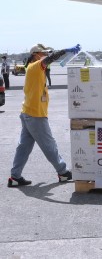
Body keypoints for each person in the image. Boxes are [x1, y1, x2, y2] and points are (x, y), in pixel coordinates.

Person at [7, 43, 80, 187]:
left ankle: (15, 177)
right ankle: (63, 172)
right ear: (36, 54)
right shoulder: (35, 66)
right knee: (49, 145)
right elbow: (51, 58)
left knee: (24, 147)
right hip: (35, 115)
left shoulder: (35, 68)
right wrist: (66, 50)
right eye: (43, 53)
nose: (45, 55)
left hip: (28, 112)